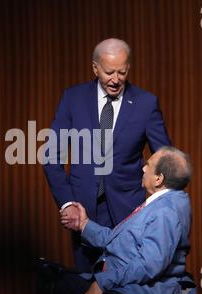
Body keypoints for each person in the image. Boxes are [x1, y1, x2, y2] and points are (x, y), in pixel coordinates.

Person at [43, 38, 171, 270]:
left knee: (126, 285)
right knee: (88, 284)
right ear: (95, 68)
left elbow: (166, 160)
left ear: (128, 68)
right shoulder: (73, 98)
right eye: (109, 72)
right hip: (83, 212)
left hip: (130, 211)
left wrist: (157, 210)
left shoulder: (146, 103)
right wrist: (67, 203)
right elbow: (52, 156)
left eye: (122, 72)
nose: (116, 79)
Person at [39, 146, 196, 294]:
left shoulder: (165, 211)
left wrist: (103, 282)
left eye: (148, 165)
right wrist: (83, 224)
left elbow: (149, 265)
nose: (143, 169)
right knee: (51, 277)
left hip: (138, 290)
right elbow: (120, 240)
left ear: (158, 179)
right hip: (122, 282)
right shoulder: (162, 203)